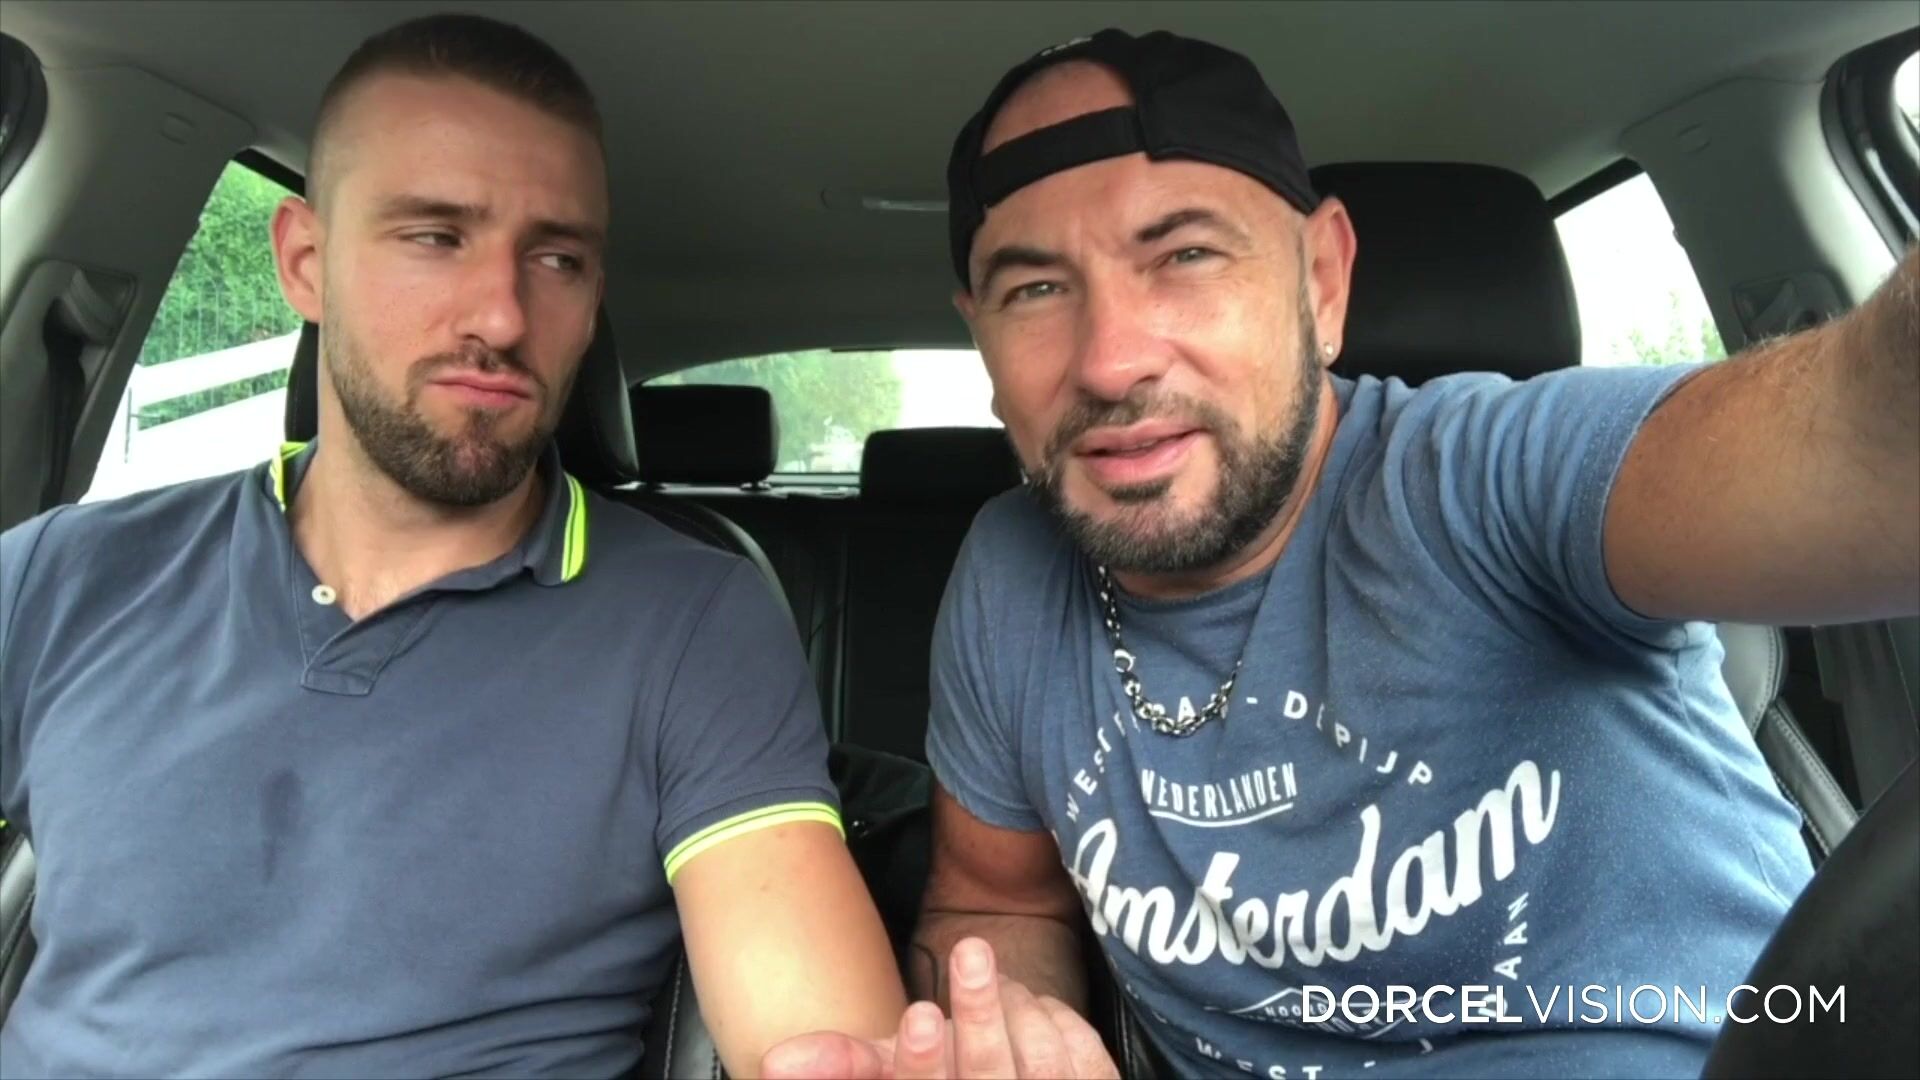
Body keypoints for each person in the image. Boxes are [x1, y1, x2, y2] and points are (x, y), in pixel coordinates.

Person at [763, 27, 1919, 1080]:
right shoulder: (1010, 579)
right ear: (981, 337)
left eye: (1185, 255)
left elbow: (1874, 437)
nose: (1110, 359)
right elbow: (996, 903)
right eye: (1035, 287)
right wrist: (1012, 1034)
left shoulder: (1491, 473)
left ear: (1322, 280)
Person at [0, 14, 908, 1077]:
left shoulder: (693, 622)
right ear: (305, 261)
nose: (503, 317)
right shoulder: (62, 574)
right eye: (436, 237)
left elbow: (822, 1043)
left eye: (558, 258)